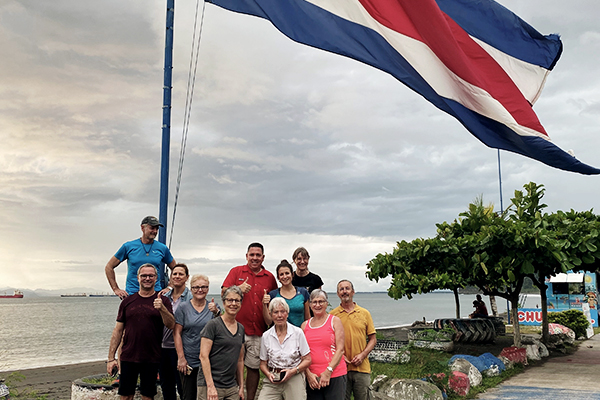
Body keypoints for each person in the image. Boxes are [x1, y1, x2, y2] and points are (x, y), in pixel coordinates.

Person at [107, 264, 175, 400]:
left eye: (151, 276)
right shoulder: (127, 302)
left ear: (156, 278)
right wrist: (111, 358)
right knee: (126, 395)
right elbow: (118, 331)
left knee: (147, 396)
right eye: (144, 276)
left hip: (152, 357)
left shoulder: (164, 301)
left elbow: (171, 324)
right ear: (138, 278)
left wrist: (161, 309)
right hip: (128, 356)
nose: (147, 278)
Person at [221, 243, 277, 400]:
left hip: (257, 330)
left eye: (258, 255)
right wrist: (238, 288)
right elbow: (224, 292)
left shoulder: (269, 277)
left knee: (253, 368)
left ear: (263, 257)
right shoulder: (236, 271)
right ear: (246, 256)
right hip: (234, 329)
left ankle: (250, 398)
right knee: (231, 366)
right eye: (252, 255)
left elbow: (274, 298)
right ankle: (232, 396)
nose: (255, 258)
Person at [105, 216, 177, 299]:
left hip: (155, 294)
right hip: (132, 294)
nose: (155, 231)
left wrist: (170, 287)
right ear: (143, 228)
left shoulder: (162, 248)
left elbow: (175, 268)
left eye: (157, 229)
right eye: (152, 228)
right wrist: (116, 289)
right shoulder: (128, 246)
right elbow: (109, 267)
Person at [173, 274, 220, 400]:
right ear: (191, 289)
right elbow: (177, 333)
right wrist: (181, 358)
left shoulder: (213, 308)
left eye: (204, 287)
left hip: (208, 362)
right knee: (188, 395)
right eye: (196, 287)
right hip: (189, 362)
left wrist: (216, 313)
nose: (200, 290)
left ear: (208, 289)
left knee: (207, 396)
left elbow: (221, 330)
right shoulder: (183, 307)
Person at [330, 280, 376, 400]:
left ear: (353, 292)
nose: (345, 291)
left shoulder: (364, 313)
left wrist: (362, 355)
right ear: (338, 293)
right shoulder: (333, 315)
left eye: (347, 288)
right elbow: (329, 342)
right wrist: (339, 356)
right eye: (341, 289)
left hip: (362, 368)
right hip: (340, 369)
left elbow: (372, 339)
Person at [258, 297, 312, 400]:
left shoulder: (297, 332)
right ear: (271, 315)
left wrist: (293, 371)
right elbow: (263, 363)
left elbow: (308, 360)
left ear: (287, 313)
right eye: (276, 312)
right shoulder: (266, 336)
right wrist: (268, 374)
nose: (279, 315)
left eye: (282, 311)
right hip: (273, 377)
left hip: (294, 376)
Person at [198, 286, 246, 400]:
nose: (233, 304)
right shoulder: (213, 325)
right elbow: (203, 356)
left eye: (237, 300)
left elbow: (240, 360)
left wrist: (241, 387)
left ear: (240, 303)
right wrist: (210, 387)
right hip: (211, 384)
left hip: (231, 386)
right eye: (230, 300)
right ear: (224, 303)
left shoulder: (241, 328)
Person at [301, 289, 346, 400]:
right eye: (314, 302)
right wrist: (308, 374)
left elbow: (340, 349)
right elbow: (301, 353)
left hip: (335, 374)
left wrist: (328, 372)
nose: (317, 305)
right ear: (310, 305)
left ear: (326, 303)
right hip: (313, 378)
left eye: (321, 301)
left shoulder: (335, 321)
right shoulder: (304, 326)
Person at [160, 264, 194, 400]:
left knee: (183, 387)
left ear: (187, 277)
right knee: (166, 386)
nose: (177, 276)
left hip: (182, 347)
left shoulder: (191, 297)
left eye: (181, 274)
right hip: (163, 347)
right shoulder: (164, 297)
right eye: (174, 274)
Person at [262, 260, 309, 328]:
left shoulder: (303, 292)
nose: (284, 276)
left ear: (292, 274)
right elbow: (269, 322)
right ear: (278, 278)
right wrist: (264, 304)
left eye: (287, 273)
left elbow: (307, 319)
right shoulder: (273, 295)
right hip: (280, 335)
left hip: (299, 334)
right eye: (281, 274)